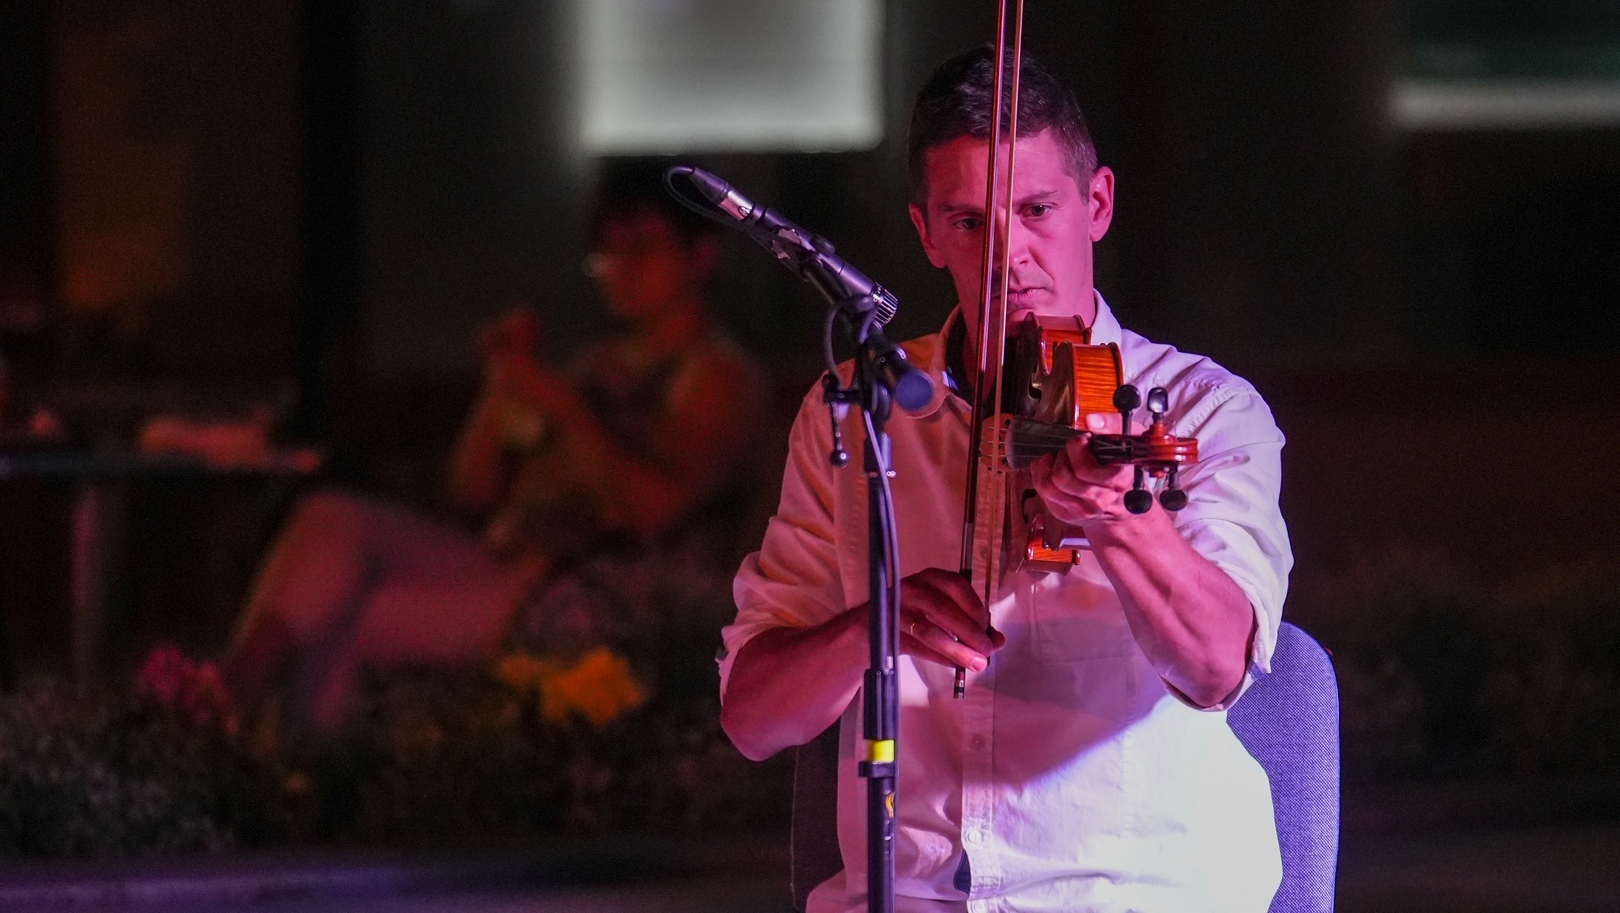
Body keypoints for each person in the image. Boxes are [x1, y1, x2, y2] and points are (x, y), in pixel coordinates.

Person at [719, 48, 1293, 913]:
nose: (1006, 255)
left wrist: (1121, 520)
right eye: (968, 221)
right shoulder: (859, 408)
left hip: (1125, 897)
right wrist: (870, 627)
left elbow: (1217, 668)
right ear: (926, 234)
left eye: (1036, 211)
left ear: (1097, 204)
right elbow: (755, 721)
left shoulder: (1205, 409)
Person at [224, 164, 767, 737]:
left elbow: (653, 512)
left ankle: (266, 753)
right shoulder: (597, 365)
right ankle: (222, 696)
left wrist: (565, 410)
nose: (620, 268)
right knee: (329, 515)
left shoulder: (720, 377)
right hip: (514, 563)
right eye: (608, 251)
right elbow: (473, 492)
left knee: (359, 615)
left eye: (643, 248)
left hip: (605, 599)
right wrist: (502, 382)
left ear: (701, 256)